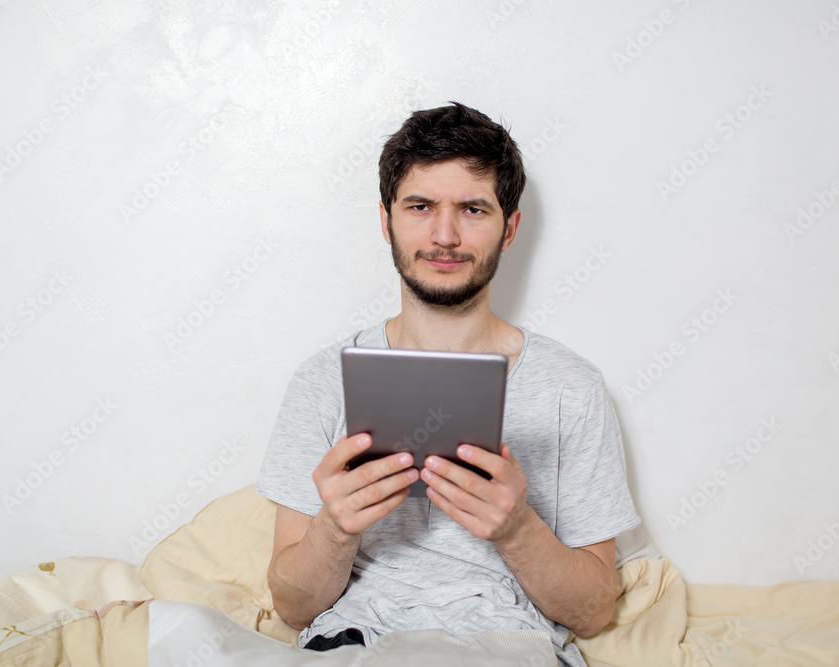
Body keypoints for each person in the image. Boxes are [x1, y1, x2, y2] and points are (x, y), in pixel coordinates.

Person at [255, 101, 643, 667]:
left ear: (509, 228)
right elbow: (292, 607)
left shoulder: (572, 389)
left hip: (504, 646)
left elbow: (592, 611)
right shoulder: (322, 380)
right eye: (420, 206)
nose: (444, 234)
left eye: (472, 209)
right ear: (387, 221)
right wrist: (334, 529)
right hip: (357, 644)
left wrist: (516, 528)